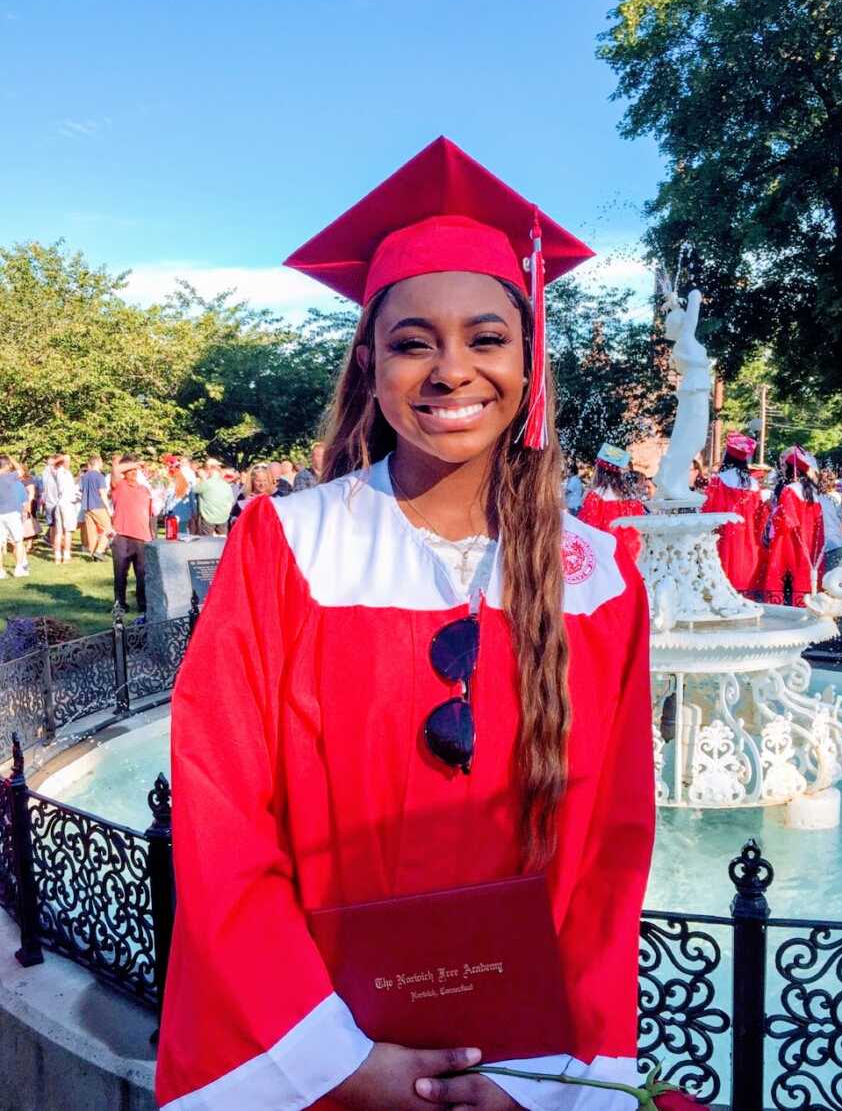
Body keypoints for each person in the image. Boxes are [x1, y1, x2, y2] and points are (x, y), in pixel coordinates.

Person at [156, 138, 657, 1111]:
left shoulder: (598, 579)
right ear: (372, 363)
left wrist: (546, 1081)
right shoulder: (289, 546)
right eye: (412, 340)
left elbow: (610, 855)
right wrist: (338, 1059)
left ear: (528, 356)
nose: (451, 368)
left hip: (518, 1071)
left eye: (486, 336)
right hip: (322, 1055)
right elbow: (222, 819)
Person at [700, 432, 768, 597]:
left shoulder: (720, 480)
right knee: (746, 567)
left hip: (727, 535)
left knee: (726, 570)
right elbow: (760, 515)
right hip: (749, 535)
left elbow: (709, 510)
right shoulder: (753, 484)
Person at [758, 446, 824, 606]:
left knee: (783, 582)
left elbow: (787, 521)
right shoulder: (814, 493)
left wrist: (774, 513)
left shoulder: (789, 490)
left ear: (791, 469)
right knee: (804, 578)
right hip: (809, 543)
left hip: (789, 542)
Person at [577, 443, 645, 562]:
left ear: (599, 470)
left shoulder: (595, 497)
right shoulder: (632, 498)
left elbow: (587, 532)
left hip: (605, 558)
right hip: (630, 557)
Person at [109, 454, 153, 615]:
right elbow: (115, 469)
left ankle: (143, 604)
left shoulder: (144, 489)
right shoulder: (119, 485)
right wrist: (135, 463)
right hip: (122, 535)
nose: (134, 472)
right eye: (130, 470)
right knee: (120, 573)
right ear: (124, 472)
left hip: (142, 536)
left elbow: (149, 514)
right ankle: (120, 604)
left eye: (135, 470)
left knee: (142, 574)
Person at [44, 453, 79, 564]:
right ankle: (66, 555)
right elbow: (67, 457)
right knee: (68, 532)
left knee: (58, 532)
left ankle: (57, 556)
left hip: (59, 504)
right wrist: (63, 458)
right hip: (67, 504)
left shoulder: (55, 472)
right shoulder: (63, 472)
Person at [0, 455, 29, 579]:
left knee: (0, 544)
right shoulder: (9, 476)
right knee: (18, 541)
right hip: (12, 513)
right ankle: (19, 568)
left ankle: (0, 571)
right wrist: (11, 458)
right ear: (7, 466)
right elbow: (21, 471)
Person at [80, 455, 112, 560]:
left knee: (91, 531)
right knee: (108, 528)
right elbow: (102, 493)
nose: (102, 464)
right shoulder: (99, 476)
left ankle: (92, 552)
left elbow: (82, 490)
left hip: (86, 506)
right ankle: (99, 551)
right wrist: (108, 508)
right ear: (97, 463)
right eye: (101, 462)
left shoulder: (85, 476)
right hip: (97, 505)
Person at [193, 459, 234, 535]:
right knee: (222, 540)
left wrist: (202, 478)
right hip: (223, 516)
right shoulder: (226, 484)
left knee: (207, 541)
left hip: (208, 517)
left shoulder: (207, 483)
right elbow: (231, 501)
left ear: (209, 470)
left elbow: (194, 489)